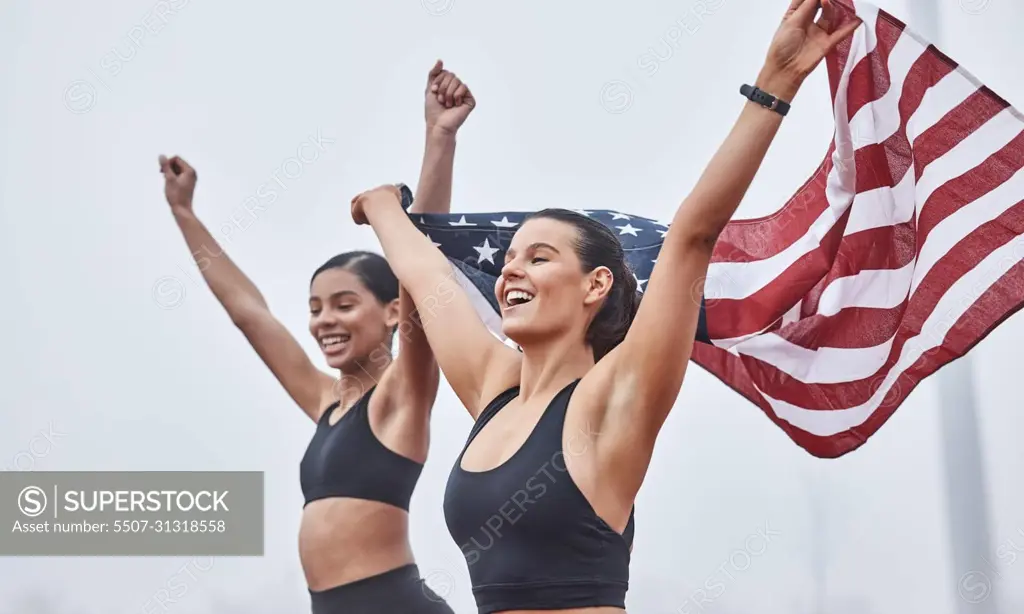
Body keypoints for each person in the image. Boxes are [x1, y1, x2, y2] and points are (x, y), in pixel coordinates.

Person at [348, 2, 860, 613]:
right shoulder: (494, 391)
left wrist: (775, 83)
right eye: (510, 258)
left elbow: (693, 235)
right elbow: (426, 271)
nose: (510, 268)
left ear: (595, 285)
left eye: (539, 258)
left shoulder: (615, 395)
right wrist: (382, 205)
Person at [158, 60, 476, 614]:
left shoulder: (398, 398)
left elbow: (422, 268)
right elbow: (250, 313)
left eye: (344, 305)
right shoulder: (325, 401)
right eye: (315, 308)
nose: (324, 320)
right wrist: (184, 212)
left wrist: (439, 136)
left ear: (394, 312)